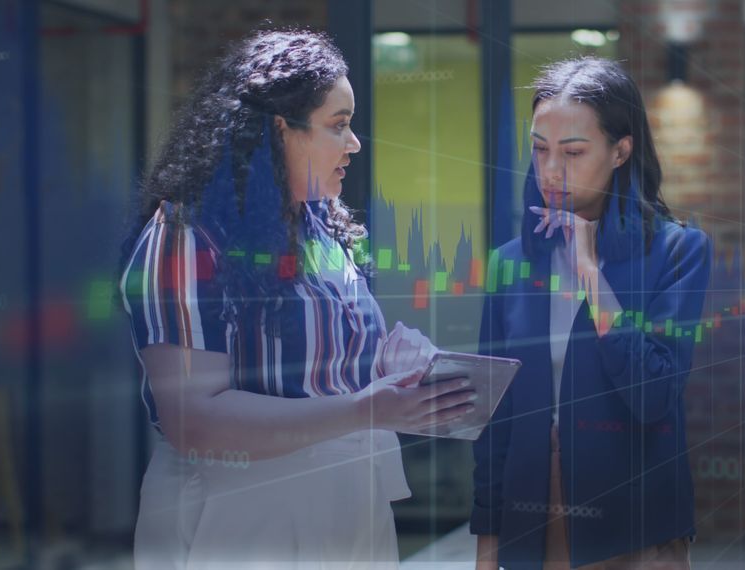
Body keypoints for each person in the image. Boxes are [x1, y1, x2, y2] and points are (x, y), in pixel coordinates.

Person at [117, 29, 475, 568]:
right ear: (279, 130)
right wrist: (365, 408)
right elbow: (193, 421)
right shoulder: (186, 235)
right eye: (338, 125)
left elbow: (323, 368)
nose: (354, 143)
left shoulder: (319, 225)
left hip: (350, 503)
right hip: (239, 512)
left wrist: (392, 365)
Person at [471, 57, 711, 569]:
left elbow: (654, 395)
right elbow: (495, 419)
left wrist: (589, 272)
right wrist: (487, 547)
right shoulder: (511, 262)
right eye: (540, 150)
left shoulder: (677, 252)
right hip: (533, 512)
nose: (551, 171)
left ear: (621, 150)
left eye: (573, 152)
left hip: (636, 521)